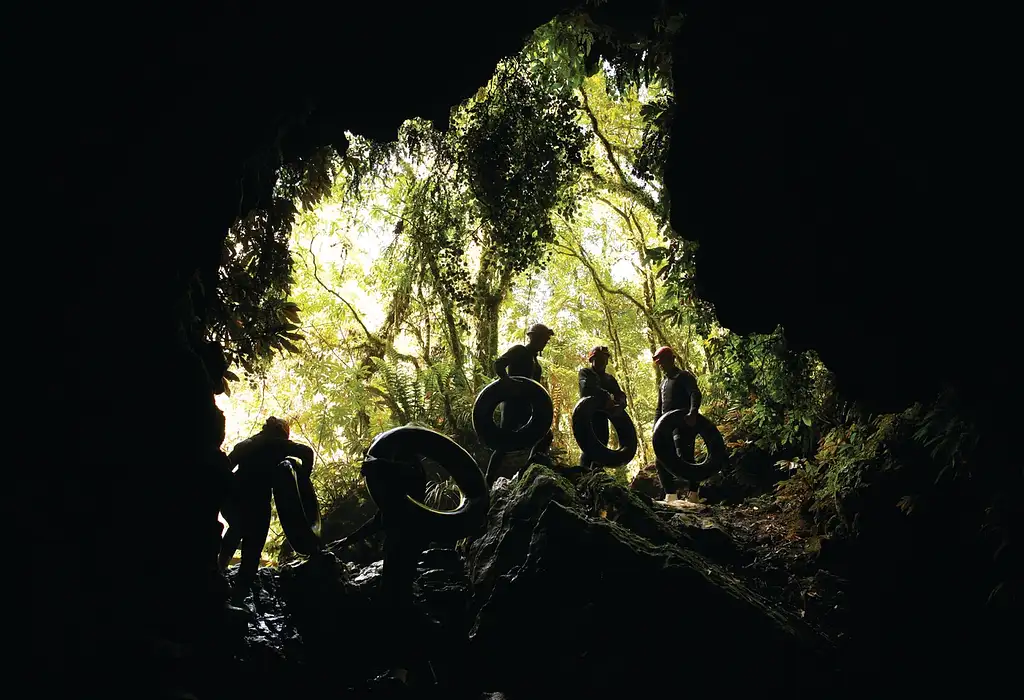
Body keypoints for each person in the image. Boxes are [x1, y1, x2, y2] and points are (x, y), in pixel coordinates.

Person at [333, 455, 437, 690]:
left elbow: (410, 472)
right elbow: (378, 520)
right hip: (396, 551)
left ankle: (410, 671)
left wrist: (378, 466)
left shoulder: (410, 482)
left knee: (398, 605)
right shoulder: (395, 499)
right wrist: (349, 539)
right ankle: (412, 670)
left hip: (406, 548)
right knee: (395, 604)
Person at [218, 417, 315, 604]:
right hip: (257, 500)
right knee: (252, 551)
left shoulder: (248, 443)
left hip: (234, 495)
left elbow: (226, 467)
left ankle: (219, 570)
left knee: (237, 528)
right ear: (280, 431)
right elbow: (306, 452)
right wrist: (303, 479)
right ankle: (237, 597)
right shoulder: (277, 444)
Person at [489, 323, 556, 479]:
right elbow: (499, 364)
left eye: (547, 339)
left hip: (527, 406)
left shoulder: (536, 363)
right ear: (534, 338)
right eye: (544, 338)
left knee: (545, 435)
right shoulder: (519, 350)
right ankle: (488, 479)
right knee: (504, 443)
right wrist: (507, 381)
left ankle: (529, 470)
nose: (546, 342)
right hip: (512, 404)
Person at [652, 346, 703, 502]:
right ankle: (671, 495)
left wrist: (693, 412)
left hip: (685, 423)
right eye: (659, 363)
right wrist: (655, 429)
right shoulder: (663, 383)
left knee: (686, 457)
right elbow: (659, 408)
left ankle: (693, 494)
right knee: (660, 459)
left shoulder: (684, 376)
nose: (661, 365)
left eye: (663, 361)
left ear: (672, 360)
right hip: (666, 426)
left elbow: (695, 393)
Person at [578, 345, 628, 470]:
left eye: (603, 359)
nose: (601, 362)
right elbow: (586, 389)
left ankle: (597, 474)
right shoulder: (586, 373)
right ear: (592, 360)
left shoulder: (609, 379)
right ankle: (583, 475)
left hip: (602, 418)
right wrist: (606, 397)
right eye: (598, 359)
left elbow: (619, 394)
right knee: (588, 448)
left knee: (601, 446)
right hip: (587, 417)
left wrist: (620, 404)